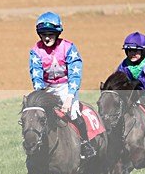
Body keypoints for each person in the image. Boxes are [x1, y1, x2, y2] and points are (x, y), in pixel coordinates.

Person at [29, 12, 95, 159]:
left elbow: (74, 74)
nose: (47, 38)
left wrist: (69, 98)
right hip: (47, 87)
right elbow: (36, 76)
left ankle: (85, 144)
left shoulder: (68, 47)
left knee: (72, 113)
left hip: (66, 86)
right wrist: (41, 97)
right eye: (43, 34)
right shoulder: (35, 51)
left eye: (51, 34)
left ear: (57, 33)